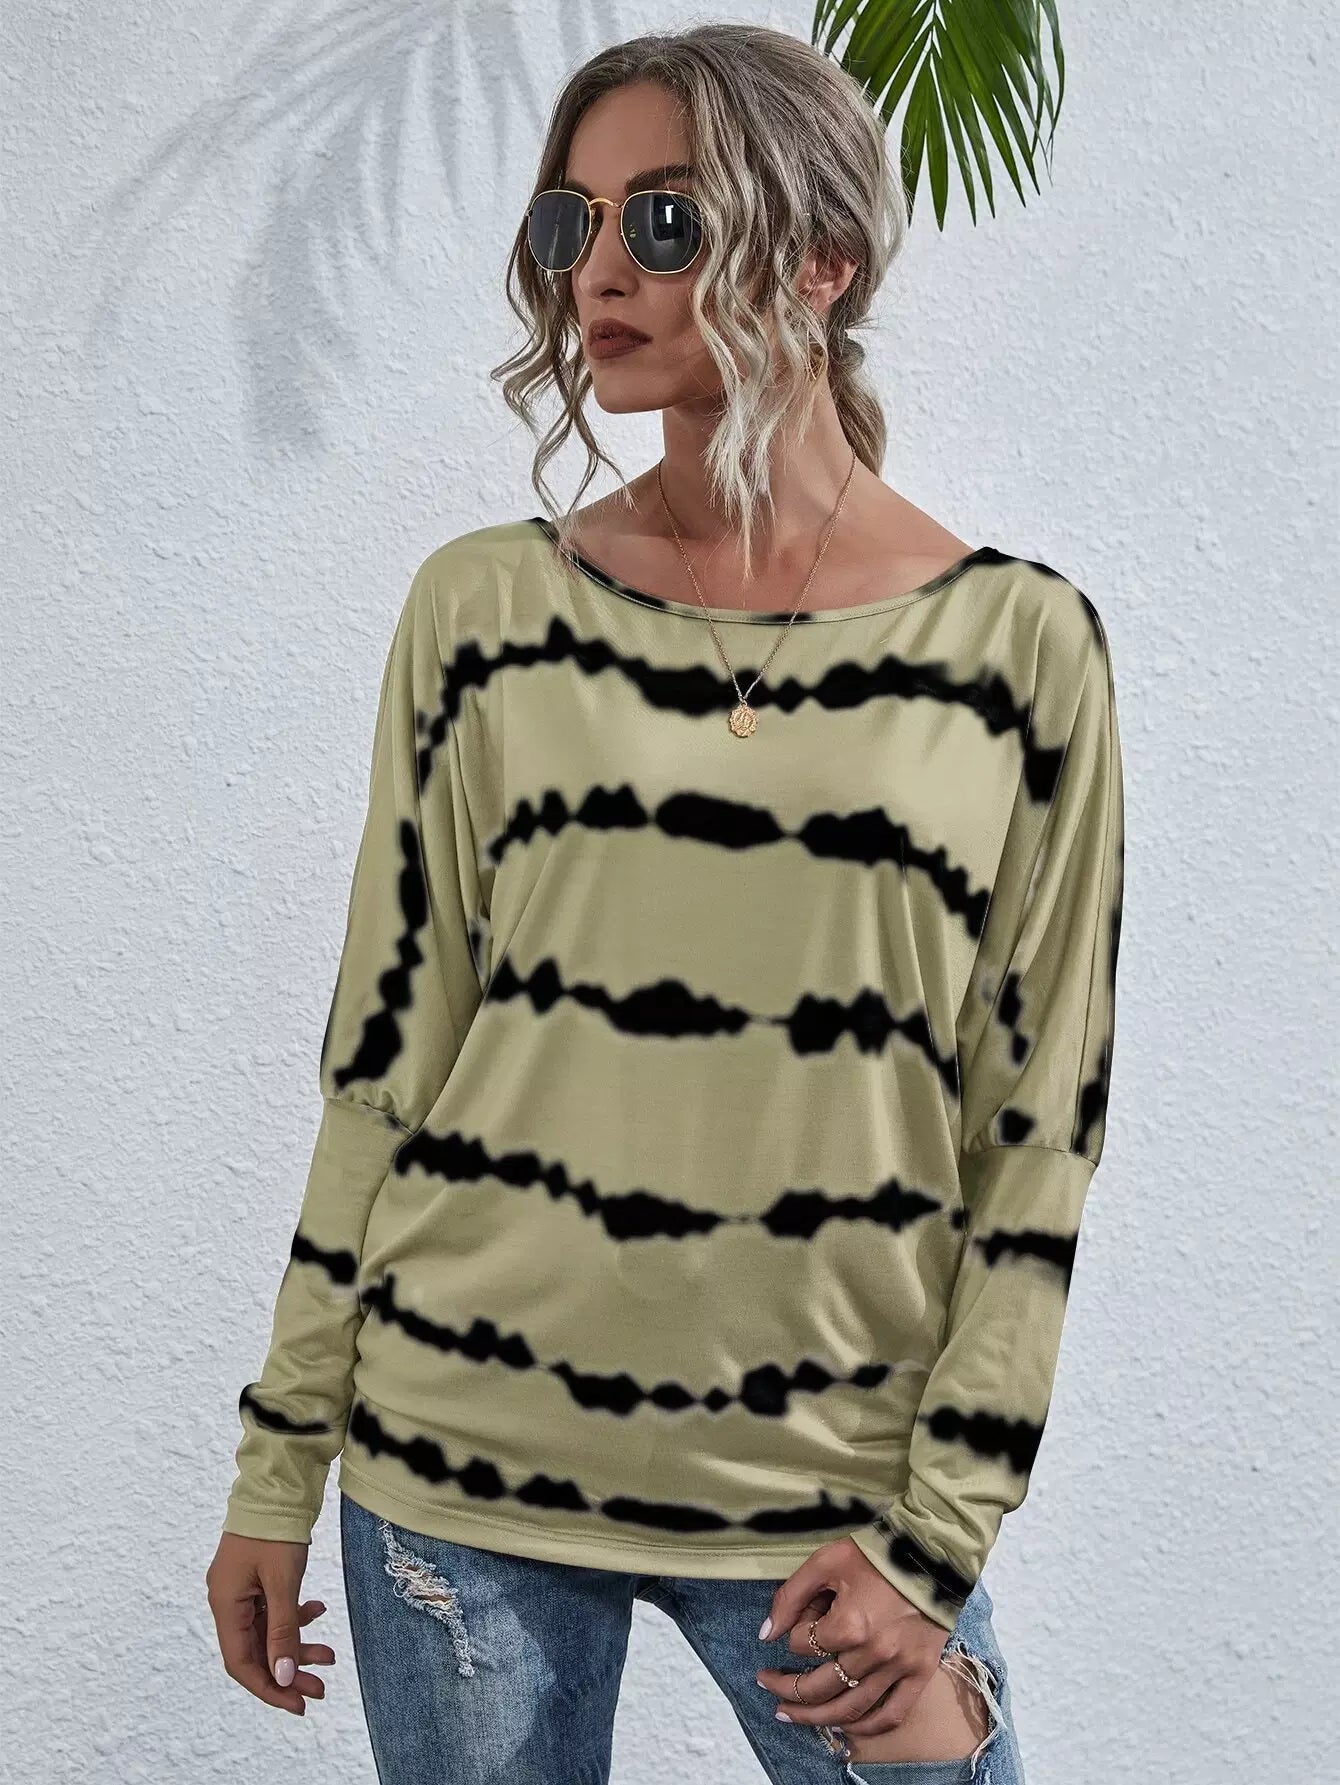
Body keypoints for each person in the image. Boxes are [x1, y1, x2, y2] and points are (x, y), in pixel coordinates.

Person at [205, 23, 1124, 1785]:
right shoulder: (483, 613)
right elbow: (385, 1063)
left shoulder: (1020, 648)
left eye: (666, 221)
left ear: (822, 258)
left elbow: (1039, 1130)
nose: (600, 272)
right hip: (456, 1466)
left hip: (836, 1498)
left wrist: (940, 1535)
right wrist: (278, 1461)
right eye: (573, 223)